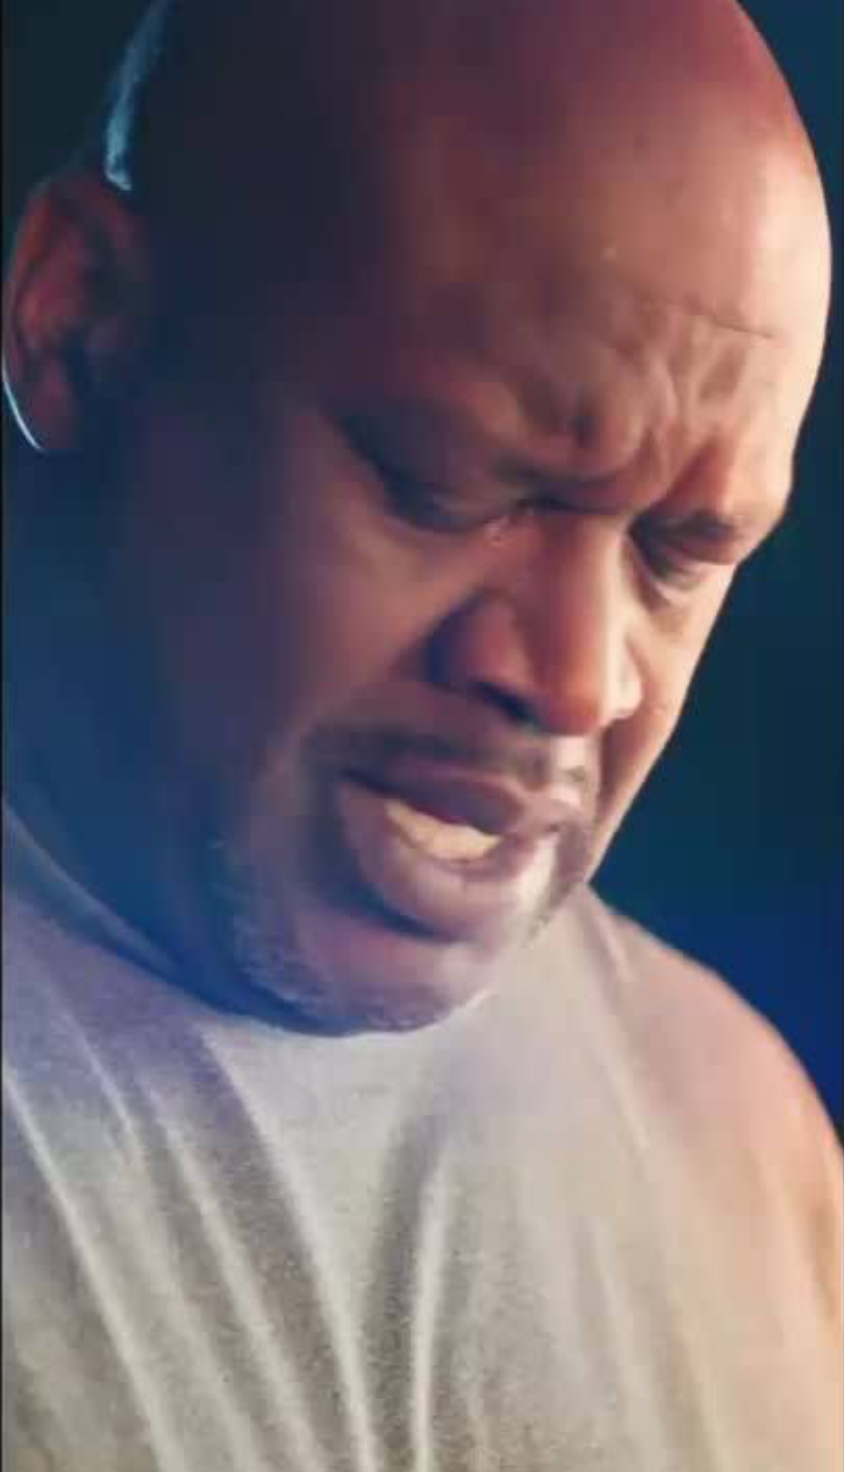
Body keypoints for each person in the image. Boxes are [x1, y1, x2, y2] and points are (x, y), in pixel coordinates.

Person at [3, 0, 841, 1467]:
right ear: (80, 322)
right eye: (449, 483)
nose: (579, 682)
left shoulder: (752, 1147)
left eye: (681, 552)